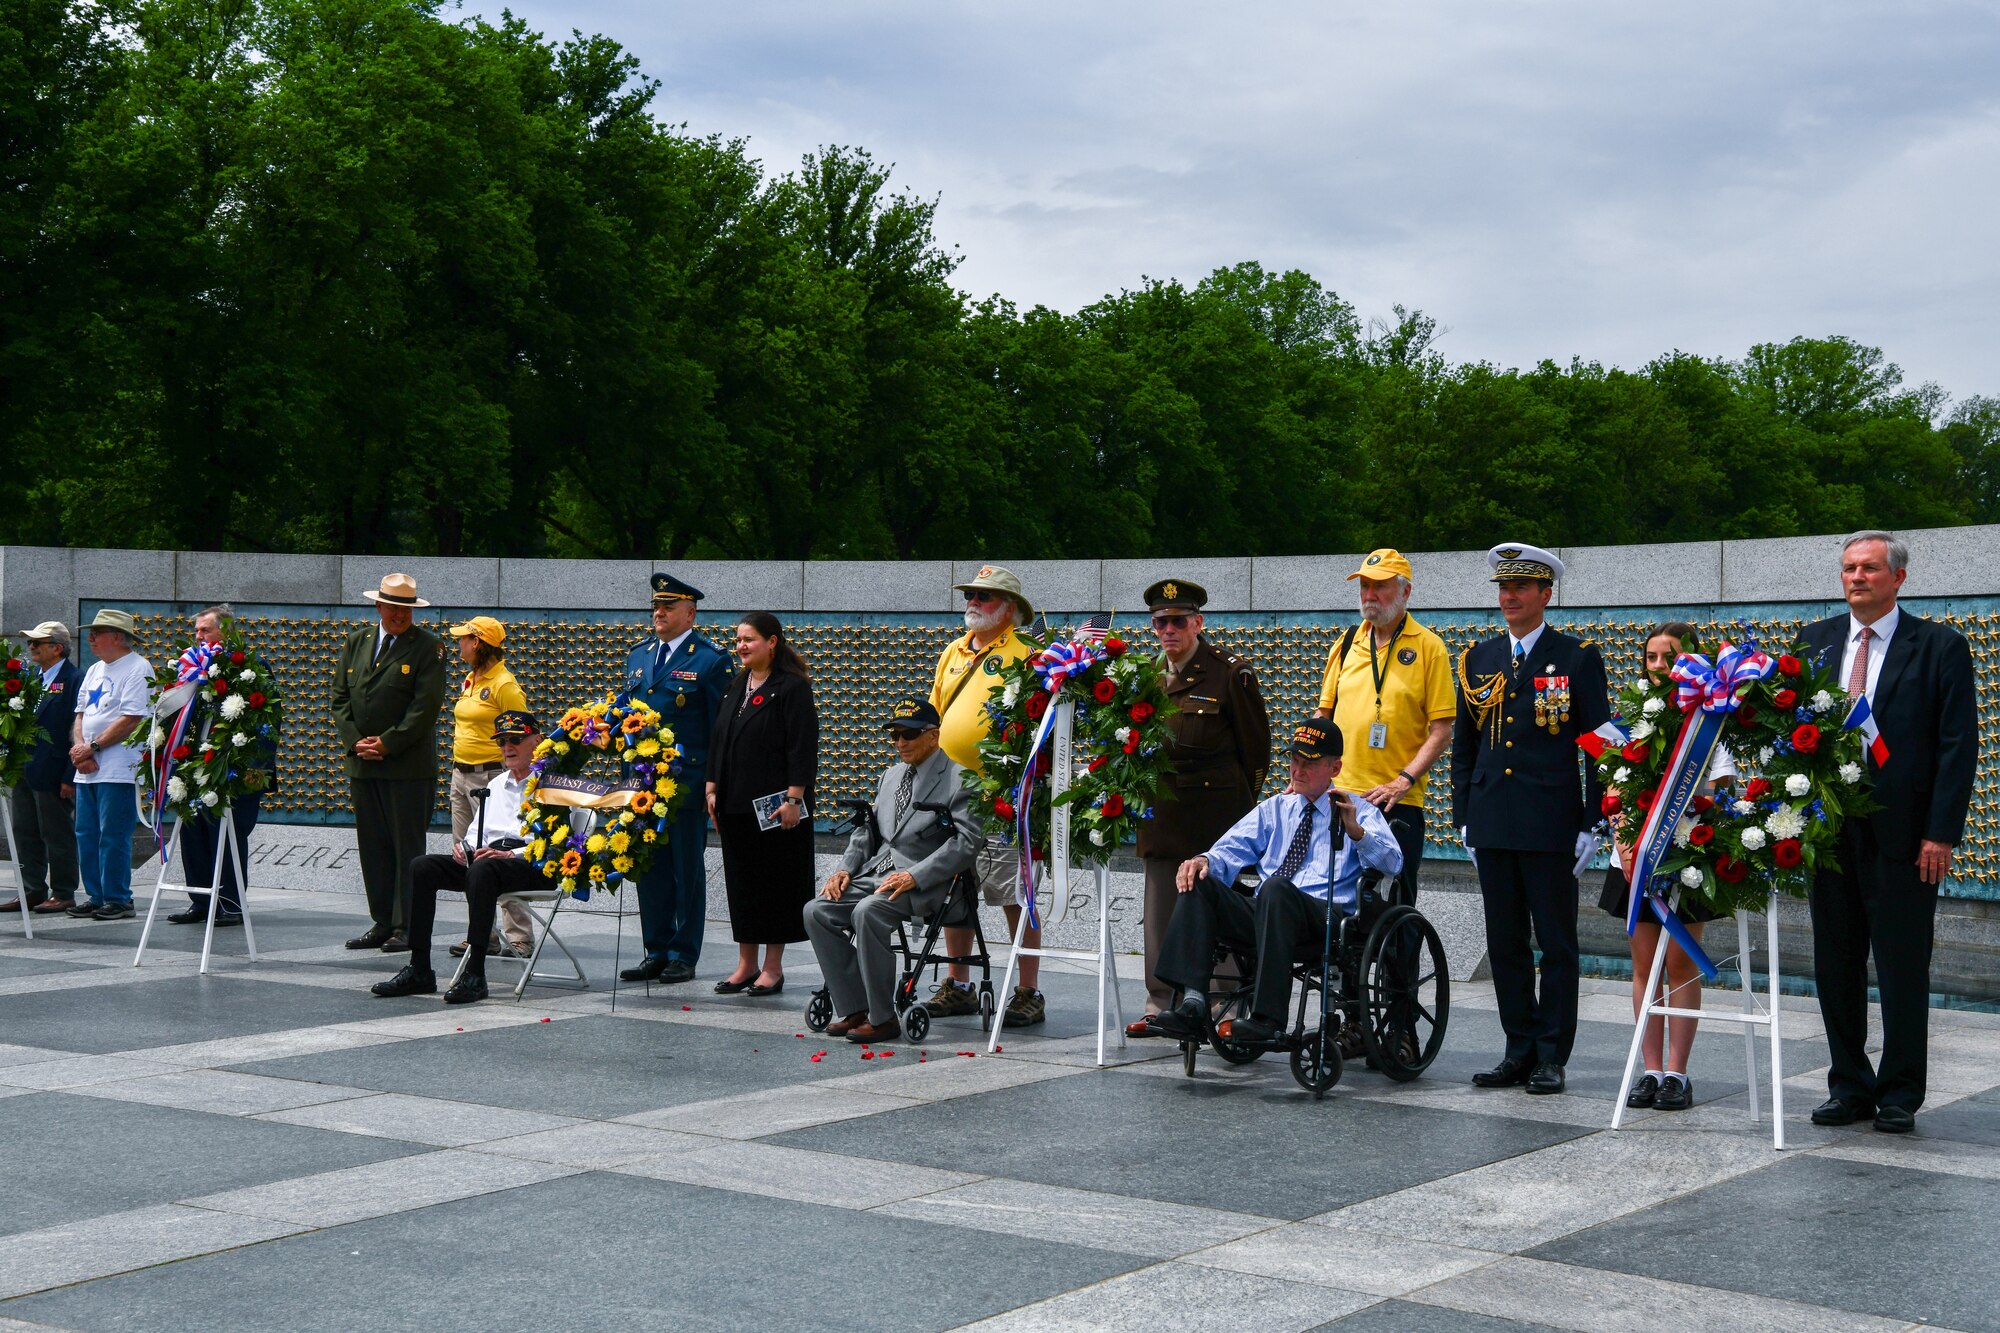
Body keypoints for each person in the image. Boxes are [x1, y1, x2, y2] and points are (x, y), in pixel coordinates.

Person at [1800, 530, 1977, 1135]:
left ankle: (1900, 1091)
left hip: (1905, 839)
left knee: (1902, 967)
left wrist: (1941, 833)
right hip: (1828, 832)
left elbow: (1958, 749)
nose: (1857, 578)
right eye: (1849, 568)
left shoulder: (1940, 647)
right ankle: (1848, 1085)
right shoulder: (1815, 643)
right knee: (1835, 964)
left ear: (1898, 577)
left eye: (1870, 569)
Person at [1453, 543, 1610, 1096]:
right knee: (1506, 943)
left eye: (1522, 587)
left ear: (1547, 594)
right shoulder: (1479, 658)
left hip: (1550, 824)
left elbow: (1597, 747)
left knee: (1557, 944)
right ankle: (1517, 1048)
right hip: (1493, 818)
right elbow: (1465, 745)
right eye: (1504, 587)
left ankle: (1551, 1054)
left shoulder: (1577, 658)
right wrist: (1464, 815)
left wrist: (1593, 821)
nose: (1510, 596)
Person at [1153, 719, 1402, 1043]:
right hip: (1267, 910)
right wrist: (1204, 860)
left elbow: (1393, 864)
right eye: (1294, 760)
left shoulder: (1358, 809)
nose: (1297, 770)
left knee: (1275, 888)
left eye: (1309, 764)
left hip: (1324, 917)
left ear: (1334, 767)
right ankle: (1193, 1004)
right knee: (1199, 878)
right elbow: (1230, 848)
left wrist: (1357, 833)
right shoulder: (1275, 808)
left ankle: (1267, 1018)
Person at [1604, 622, 1736, 1113]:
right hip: (1635, 862)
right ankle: (1650, 1069)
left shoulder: (1711, 722)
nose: (1658, 667)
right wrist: (1625, 837)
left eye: (1670, 657)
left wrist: (1686, 804)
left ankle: (1678, 1074)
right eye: (1651, 657)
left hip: (1687, 857)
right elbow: (1613, 790)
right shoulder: (1629, 721)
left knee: (1680, 966)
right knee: (1643, 968)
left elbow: (1723, 793)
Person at [1131, 578, 1270, 1039]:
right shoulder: (1146, 677)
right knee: (1161, 911)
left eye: (1178, 621)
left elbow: (1256, 754)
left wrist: (1238, 815)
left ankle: (1225, 1003)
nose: (1169, 630)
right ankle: (1162, 1002)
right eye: (1160, 622)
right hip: (1163, 817)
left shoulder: (1230, 673)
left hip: (1215, 819)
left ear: (1198, 622)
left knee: (1221, 911)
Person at [803, 697, 979, 1044]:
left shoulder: (961, 779)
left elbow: (967, 842)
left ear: (933, 736)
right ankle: (856, 1008)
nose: (900, 743)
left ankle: (882, 1019)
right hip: (877, 875)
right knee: (816, 911)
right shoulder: (890, 776)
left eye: (909, 734)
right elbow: (867, 831)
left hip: (929, 884)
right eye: (895, 735)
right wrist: (845, 870)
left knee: (869, 912)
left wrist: (917, 875)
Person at [928, 564, 1043, 1025]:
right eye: (970, 595)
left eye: (985, 596)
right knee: (953, 887)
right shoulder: (952, 651)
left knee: (1014, 893)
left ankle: (1027, 990)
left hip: (1004, 793)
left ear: (1010, 609)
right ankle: (958, 984)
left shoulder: (1029, 654)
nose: (973, 602)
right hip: (951, 792)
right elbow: (934, 715)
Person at [372, 711, 547, 1005]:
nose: (507, 747)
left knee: (483, 869)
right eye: (502, 741)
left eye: (515, 740)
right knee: (422, 866)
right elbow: (475, 832)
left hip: (531, 862)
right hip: (488, 861)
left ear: (537, 741)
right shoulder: (496, 784)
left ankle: (475, 973)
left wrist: (508, 854)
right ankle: (420, 968)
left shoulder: (552, 786)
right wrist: (463, 848)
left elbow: (556, 843)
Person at [1314, 549, 1455, 906]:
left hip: (1396, 803)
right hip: (1340, 797)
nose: (1369, 595)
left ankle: (1402, 964)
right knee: (1330, 902)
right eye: (1364, 586)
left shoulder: (1429, 648)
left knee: (1396, 905)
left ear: (1405, 592)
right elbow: (1323, 717)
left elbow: (1441, 731)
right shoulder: (1346, 644)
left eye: (1379, 586)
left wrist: (1402, 781)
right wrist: (1304, 769)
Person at [620, 573, 731, 985]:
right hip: (641, 784)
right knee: (649, 867)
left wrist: (713, 783)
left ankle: (684, 953)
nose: (659, 613)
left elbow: (720, 728)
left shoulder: (710, 659)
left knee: (687, 869)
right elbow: (625, 712)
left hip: (684, 784)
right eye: (656, 606)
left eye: (668, 607)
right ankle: (656, 948)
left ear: (691, 612)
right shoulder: (639, 655)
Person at [331, 573, 449, 952]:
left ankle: (407, 925)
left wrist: (387, 743)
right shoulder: (357, 642)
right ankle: (382, 920)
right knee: (374, 847)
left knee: (406, 848)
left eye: (406, 608)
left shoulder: (428, 648)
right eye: (393, 606)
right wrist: (356, 742)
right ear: (378, 606)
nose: (399, 614)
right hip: (364, 764)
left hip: (407, 767)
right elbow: (339, 698)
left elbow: (424, 708)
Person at [706, 612, 819, 996]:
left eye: (749, 639)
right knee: (743, 885)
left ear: (772, 642)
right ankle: (746, 965)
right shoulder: (736, 685)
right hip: (733, 804)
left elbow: (801, 748)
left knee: (775, 886)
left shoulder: (792, 687)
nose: (740, 646)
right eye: (737, 639)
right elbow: (719, 738)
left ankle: (772, 968)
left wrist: (793, 798)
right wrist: (710, 787)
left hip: (776, 809)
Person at [169, 606, 279, 927]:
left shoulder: (252, 667)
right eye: (197, 631)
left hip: (235, 768)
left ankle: (231, 903)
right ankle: (201, 901)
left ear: (226, 632)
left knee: (226, 835)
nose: (198, 637)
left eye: (205, 631)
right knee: (194, 832)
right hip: (196, 763)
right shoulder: (192, 668)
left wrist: (253, 768)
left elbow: (267, 721)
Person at [442, 615, 532, 961]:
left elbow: (522, 735)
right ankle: (482, 934)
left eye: (463, 638)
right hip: (461, 776)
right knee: (466, 855)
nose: (459, 643)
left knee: (501, 850)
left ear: (478, 643)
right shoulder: (470, 678)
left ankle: (519, 936)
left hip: (492, 777)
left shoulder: (505, 685)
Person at [65, 609, 153, 921]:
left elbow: (131, 719)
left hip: (118, 768)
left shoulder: (138, 668)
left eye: (97, 632)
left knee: (112, 834)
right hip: (87, 766)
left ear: (118, 637)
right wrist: (81, 749)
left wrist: (93, 747)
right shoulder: (94, 670)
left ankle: (118, 898)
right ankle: (96, 895)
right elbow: (81, 714)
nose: (90, 637)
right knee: (86, 832)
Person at [1, 621, 79, 916]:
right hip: (24, 767)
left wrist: (70, 775)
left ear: (57, 648)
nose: (31, 647)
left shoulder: (73, 679)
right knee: (24, 831)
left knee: (56, 832)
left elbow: (76, 729)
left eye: (38, 642)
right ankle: (32, 889)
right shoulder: (30, 677)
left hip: (53, 770)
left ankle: (63, 892)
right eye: (31, 642)